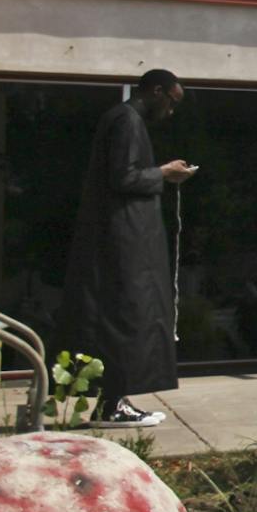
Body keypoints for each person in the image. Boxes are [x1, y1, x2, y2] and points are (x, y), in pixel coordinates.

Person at [62, 69, 197, 429]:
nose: (171, 111)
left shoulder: (125, 120)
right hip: (121, 241)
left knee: (125, 315)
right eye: (172, 101)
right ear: (157, 91)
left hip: (124, 237)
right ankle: (111, 405)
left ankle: (113, 401)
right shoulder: (126, 121)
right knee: (125, 315)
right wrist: (164, 173)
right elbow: (123, 177)